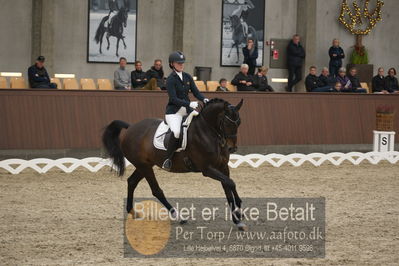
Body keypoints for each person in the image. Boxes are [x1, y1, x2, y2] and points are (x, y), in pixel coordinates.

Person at [162, 51, 209, 171]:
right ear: (172, 64)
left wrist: (204, 98)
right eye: (179, 63)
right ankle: (167, 159)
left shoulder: (187, 76)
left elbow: (196, 92)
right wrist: (189, 103)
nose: (181, 65)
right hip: (174, 112)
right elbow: (173, 99)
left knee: (201, 126)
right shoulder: (170, 79)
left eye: (182, 63)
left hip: (187, 110)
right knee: (177, 132)